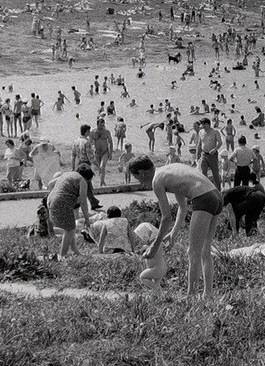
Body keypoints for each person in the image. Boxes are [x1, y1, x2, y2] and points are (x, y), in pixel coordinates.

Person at [128, 157, 223, 299]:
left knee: (193, 252)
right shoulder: (170, 170)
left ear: (142, 172)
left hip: (204, 199)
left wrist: (155, 244)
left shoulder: (157, 181)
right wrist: (173, 233)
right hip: (217, 196)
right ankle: (207, 295)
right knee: (205, 251)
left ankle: (191, 296)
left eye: (137, 178)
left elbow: (166, 217)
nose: (139, 182)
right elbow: (182, 207)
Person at [47, 165, 94, 259]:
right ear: (87, 177)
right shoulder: (82, 180)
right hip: (62, 202)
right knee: (70, 229)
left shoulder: (67, 174)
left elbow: (50, 184)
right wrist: (87, 218)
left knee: (70, 226)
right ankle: (63, 254)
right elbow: (83, 201)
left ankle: (75, 250)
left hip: (50, 200)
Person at [196, 118, 222, 190]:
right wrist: (197, 153)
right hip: (203, 154)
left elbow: (220, 142)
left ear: (207, 124)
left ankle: (218, 189)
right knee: (203, 172)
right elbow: (199, 143)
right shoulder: (201, 132)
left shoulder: (215, 132)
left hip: (212, 155)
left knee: (215, 173)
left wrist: (215, 149)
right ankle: (205, 189)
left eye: (203, 124)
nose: (202, 126)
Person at [92, 118, 114, 187]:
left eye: (103, 125)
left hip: (105, 152)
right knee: (99, 168)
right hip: (97, 153)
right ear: (97, 125)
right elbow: (90, 143)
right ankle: (102, 181)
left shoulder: (107, 132)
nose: (102, 126)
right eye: (101, 125)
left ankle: (101, 182)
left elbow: (110, 142)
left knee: (102, 166)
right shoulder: (93, 132)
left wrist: (110, 153)